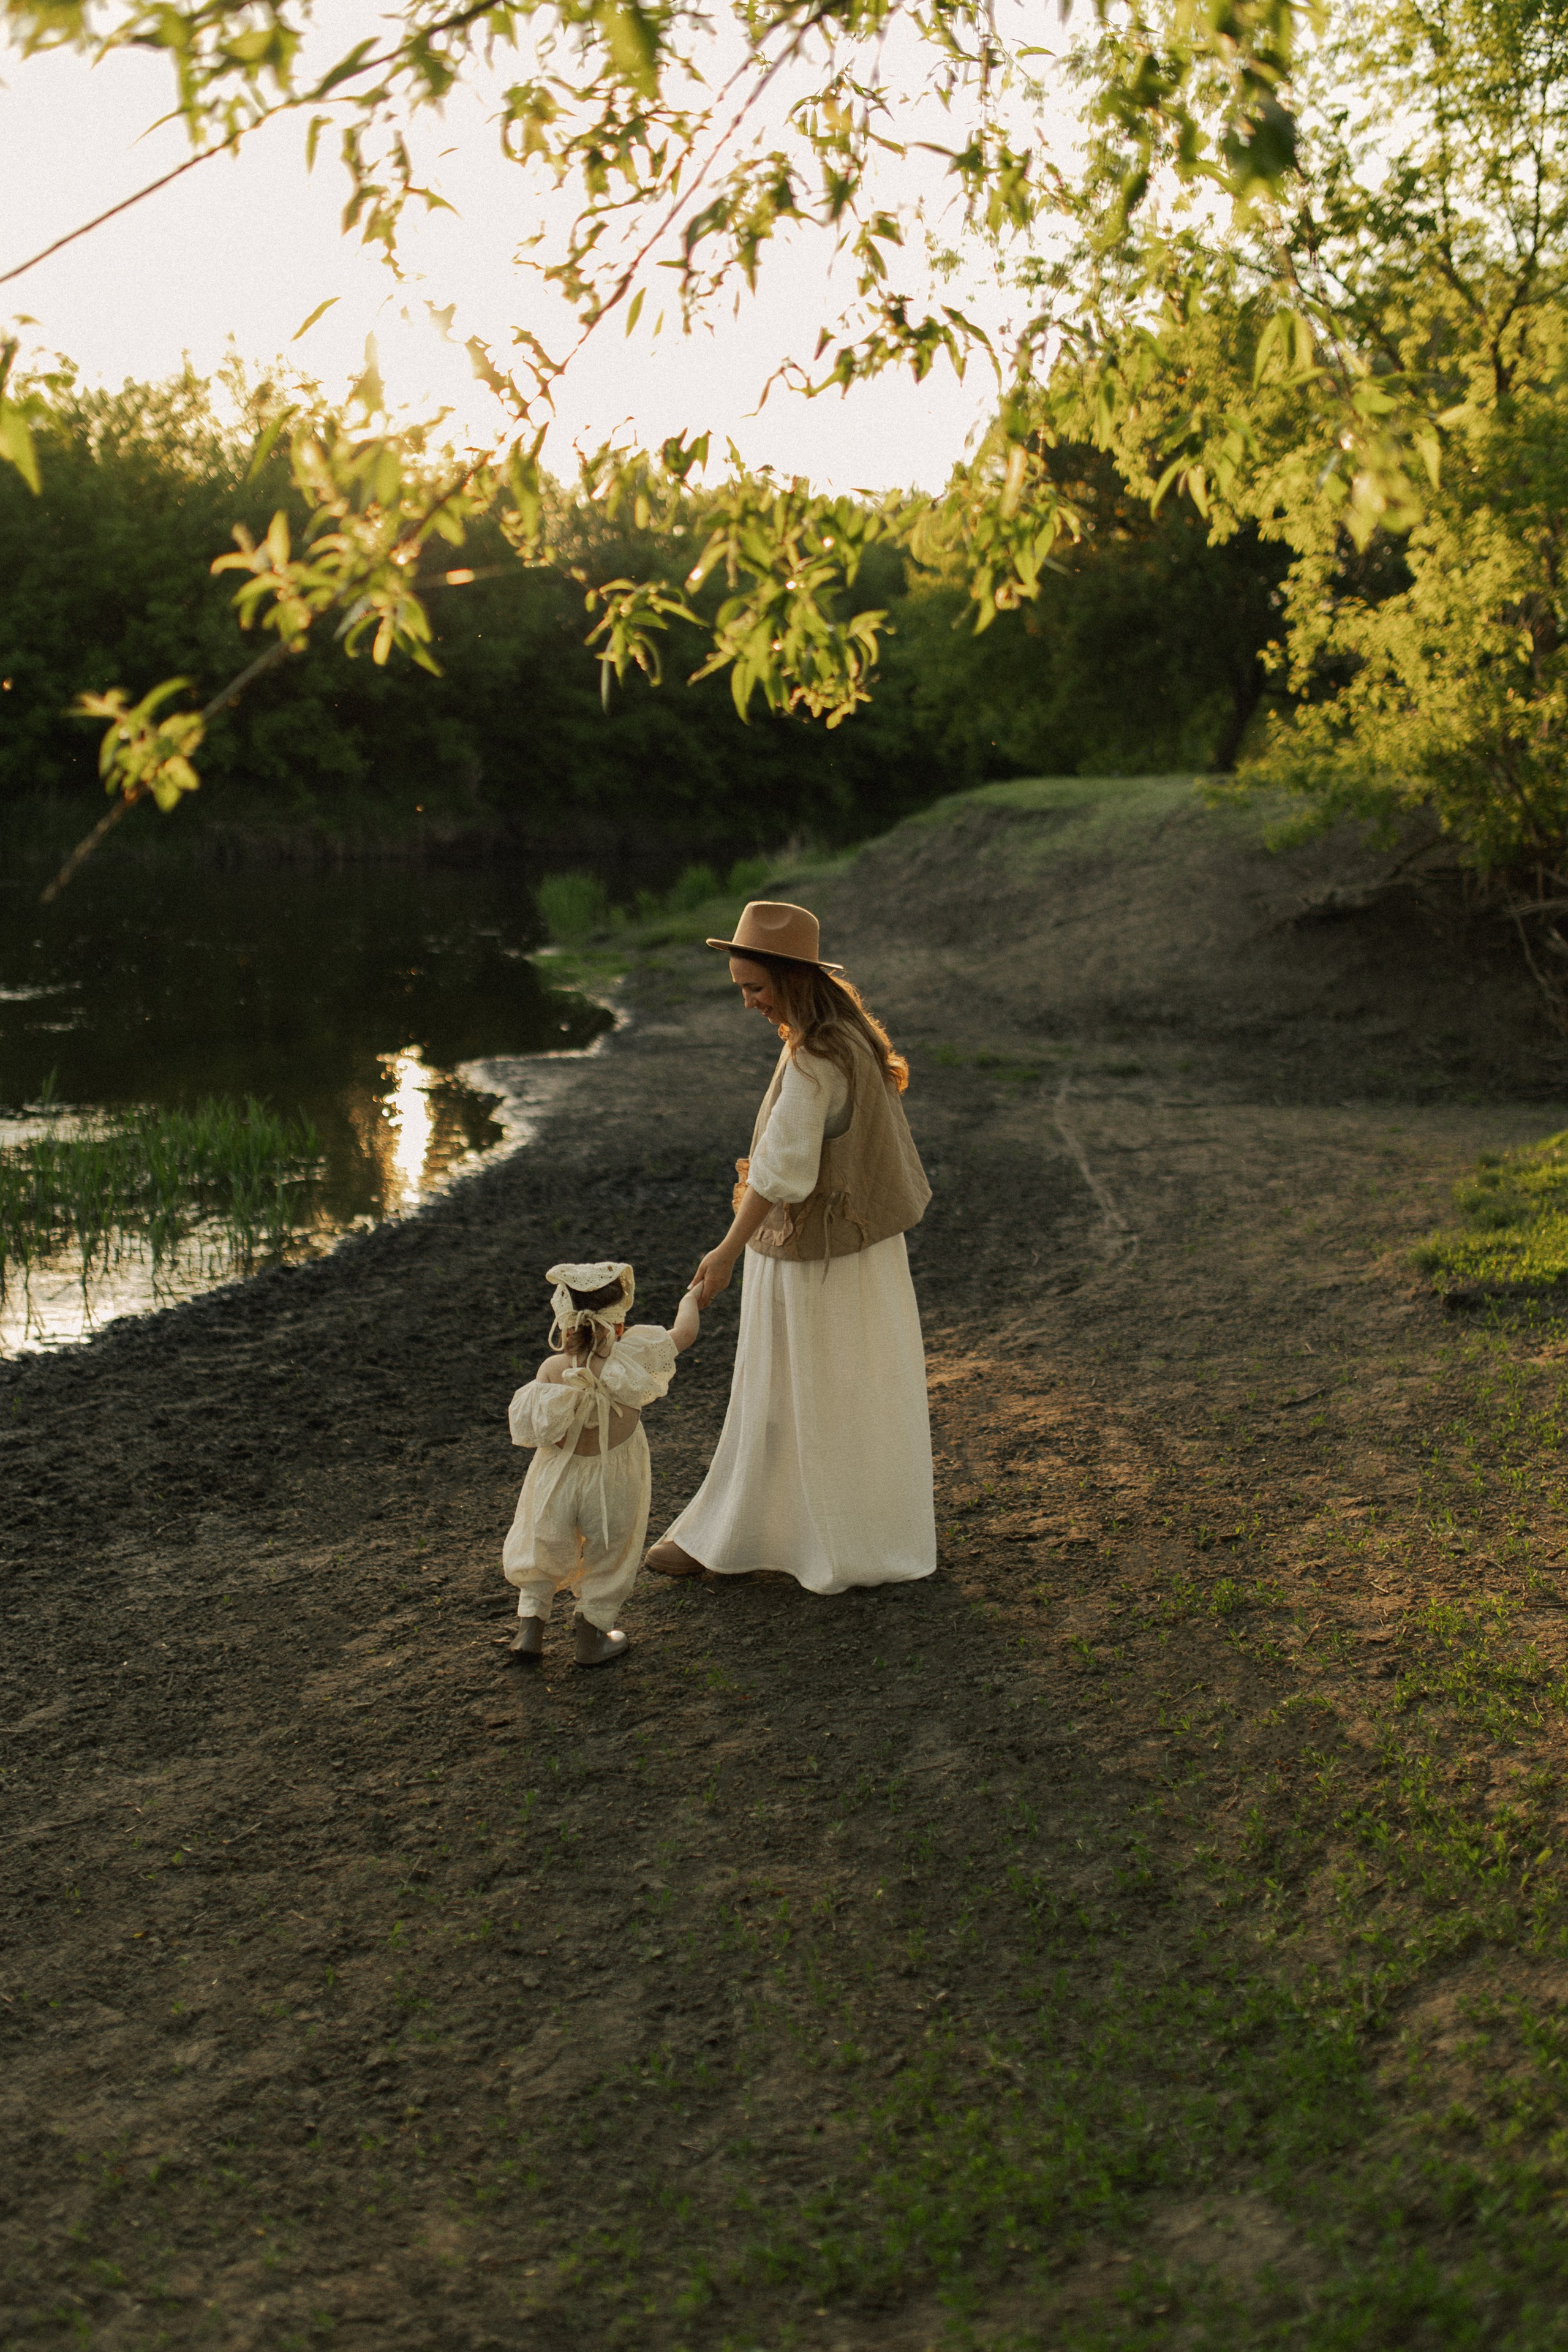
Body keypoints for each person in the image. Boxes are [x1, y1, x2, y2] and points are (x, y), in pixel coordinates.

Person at [644, 899, 937, 1595]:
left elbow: (781, 1174)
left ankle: (749, 1537)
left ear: (792, 978)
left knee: (787, 1392)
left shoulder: (815, 1059)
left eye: (756, 987)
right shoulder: (850, 1037)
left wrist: (722, 1252)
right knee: (843, 1390)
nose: (747, 1002)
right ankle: (823, 1530)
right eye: (741, 988)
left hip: (817, 1263)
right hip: (863, 1255)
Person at [503, 1261, 700, 1667]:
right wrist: (692, 1296)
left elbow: (538, 1430)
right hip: (612, 1485)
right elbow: (685, 1334)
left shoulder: (554, 1368)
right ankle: (592, 1637)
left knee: (542, 1546)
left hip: (557, 1481)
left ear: (565, 1321)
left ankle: (530, 1629)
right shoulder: (631, 1360)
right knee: (611, 1555)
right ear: (619, 1322)